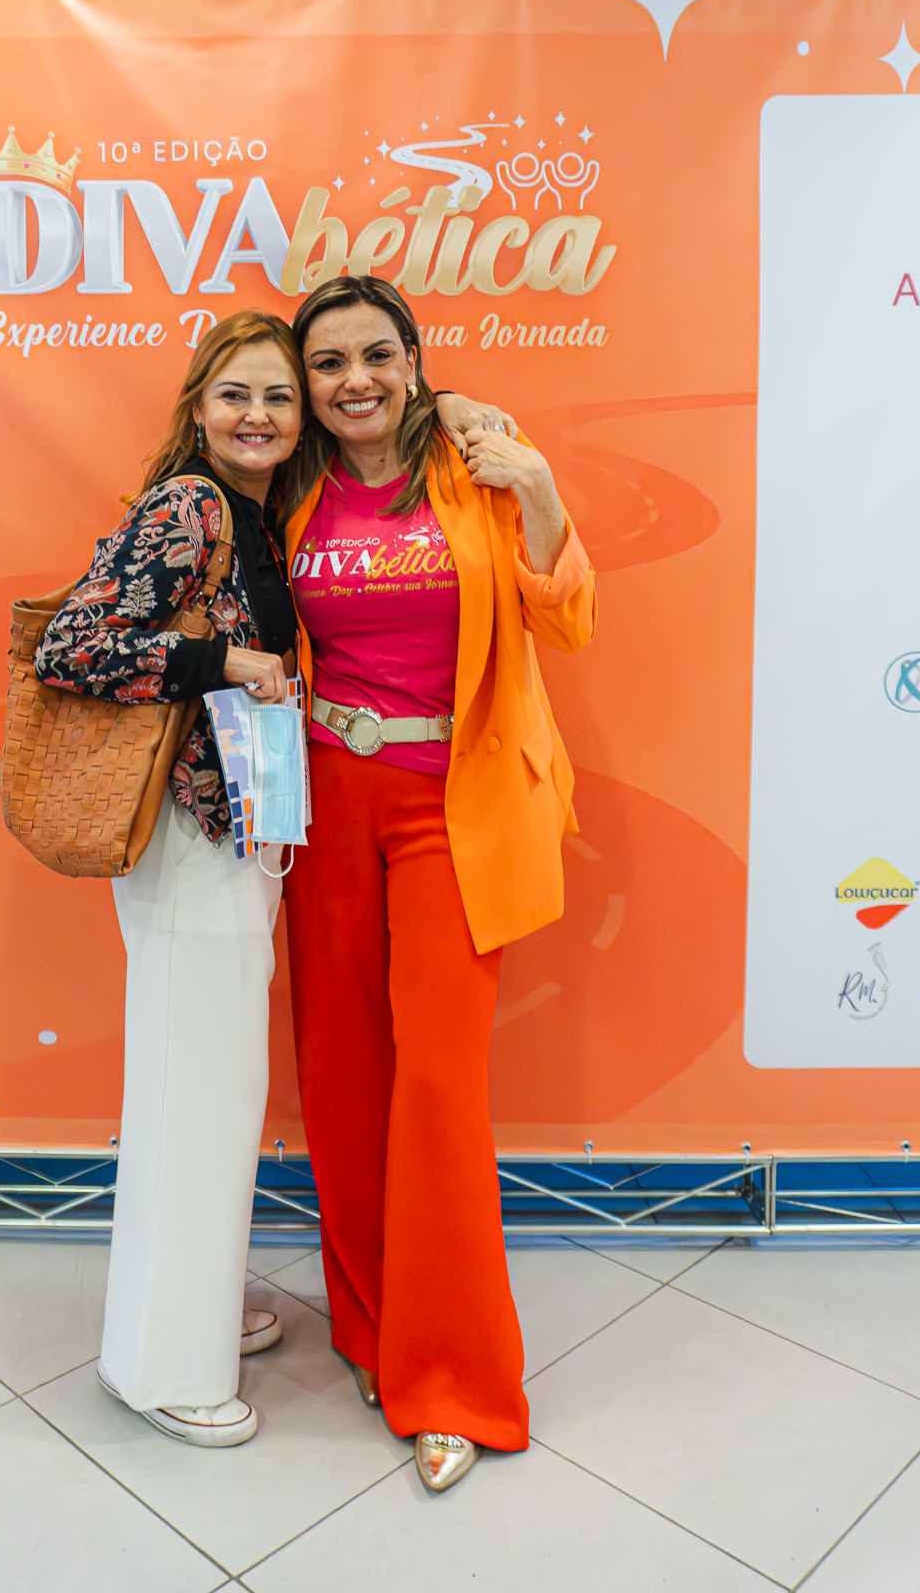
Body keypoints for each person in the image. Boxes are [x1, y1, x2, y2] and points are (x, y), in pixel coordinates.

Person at [33, 308, 508, 1449]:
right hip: (191, 837)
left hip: (244, 833)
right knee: (194, 1094)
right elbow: (70, 645)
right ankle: (163, 1367)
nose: (259, 414)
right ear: (197, 407)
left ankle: (192, 1307)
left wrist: (464, 415)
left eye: (277, 395)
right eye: (235, 394)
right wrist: (223, 660)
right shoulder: (192, 506)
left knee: (214, 1088)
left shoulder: (260, 509)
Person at [281, 274, 597, 1493]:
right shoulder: (290, 487)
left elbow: (566, 623)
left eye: (377, 353)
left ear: (414, 360)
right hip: (324, 805)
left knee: (439, 1088)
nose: (354, 379)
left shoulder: (478, 466)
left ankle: (455, 1376)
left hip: (451, 810)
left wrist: (542, 491)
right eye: (328, 363)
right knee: (343, 1076)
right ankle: (373, 1329)